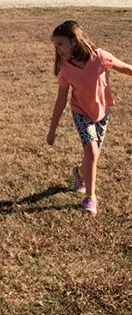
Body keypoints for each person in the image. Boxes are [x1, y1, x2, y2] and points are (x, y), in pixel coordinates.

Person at [46, 20, 132, 215]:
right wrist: (52, 131)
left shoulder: (100, 57)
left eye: (60, 43)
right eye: (55, 45)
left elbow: (124, 67)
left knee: (93, 155)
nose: (57, 49)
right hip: (81, 113)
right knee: (92, 152)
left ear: (74, 41)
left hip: (102, 113)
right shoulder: (66, 71)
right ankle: (90, 197)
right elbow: (60, 102)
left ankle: (79, 173)